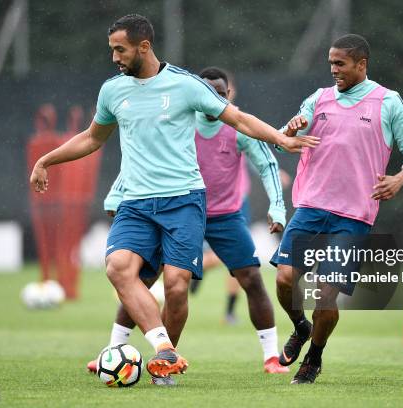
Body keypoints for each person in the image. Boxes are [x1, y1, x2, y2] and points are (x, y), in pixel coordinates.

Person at [29, 14, 318, 381]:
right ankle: (164, 349)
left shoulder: (185, 85)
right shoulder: (112, 91)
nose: (115, 57)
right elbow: (91, 137)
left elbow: (239, 119)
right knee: (119, 269)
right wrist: (46, 160)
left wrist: (280, 138)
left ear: (143, 46)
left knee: (177, 286)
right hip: (135, 203)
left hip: (183, 200)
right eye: (112, 50)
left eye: (120, 50)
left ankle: (163, 366)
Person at [88, 67, 291, 382]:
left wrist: (277, 207)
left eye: (221, 94)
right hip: (177, 210)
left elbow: (266, 164)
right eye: (210, 93)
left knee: (251, 277)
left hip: (224, 216)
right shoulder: (179, 121)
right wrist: (116, 195)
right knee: (141, 279)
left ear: (229, 95)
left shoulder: (236, 126)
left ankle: (270, 357)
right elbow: (142, 159)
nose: (216, 98)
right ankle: (114, 350)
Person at [271, 34, 403, 384]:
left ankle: (314, 357)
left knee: (327, 295)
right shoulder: (319, 98)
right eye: (330, 63)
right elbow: (285, 140)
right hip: (310, 207)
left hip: (353, 216)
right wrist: (289, 133)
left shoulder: (388, 102)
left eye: (340, 63)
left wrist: (400, 178)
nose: (333, 69)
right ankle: (300, 327)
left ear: (361, 64)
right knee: (284, 280)